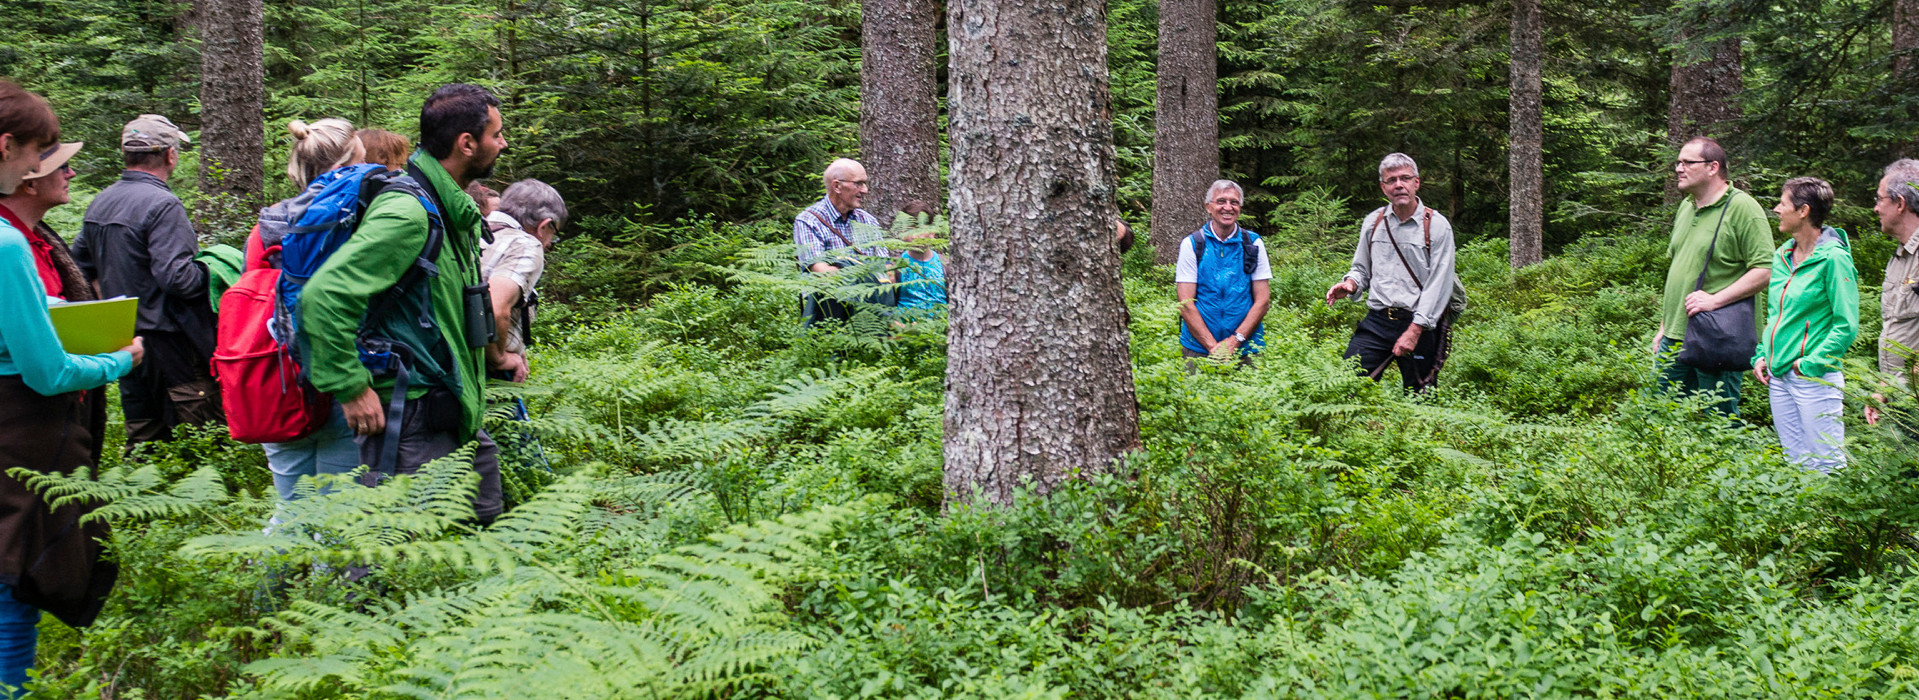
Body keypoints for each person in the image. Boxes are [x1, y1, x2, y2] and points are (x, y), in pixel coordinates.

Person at [301, 84, 509, 523]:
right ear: (466, 144)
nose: (503, 143)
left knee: (489, 530)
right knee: (389, 561)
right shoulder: (409, 212)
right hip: (410, 419)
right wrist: (352, 387)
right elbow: (323, 296)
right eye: (497, 134)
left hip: (455, 412)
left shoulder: (452, 209)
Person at [0, 81, 141, 696]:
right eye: (43, 150)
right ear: (8, 148)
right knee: (15, 580)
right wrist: (118, 360)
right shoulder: (6, 246)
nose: (51, 164)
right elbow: (49, 372)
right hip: (19, 433)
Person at [72, 114, 221, 447]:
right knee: (200, 439)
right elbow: (178, 279)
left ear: (126, 154)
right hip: (169, 341)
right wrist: (216, 269)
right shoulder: (163, 204)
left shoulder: (101, 201)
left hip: (125, 340)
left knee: (144, 436)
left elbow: (78, 267)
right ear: (170, 154)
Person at [247, 119, 365, 501]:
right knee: (339, 516)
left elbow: (256, 300)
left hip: (280, 383)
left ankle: (276, 562)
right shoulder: (358, 220)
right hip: (345, 381)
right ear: (348, 163)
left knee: (291, 510)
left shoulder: (266, 224)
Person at [1649, 137, 1772, 417]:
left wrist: (1715, 300)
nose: (1679, 168)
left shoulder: (1743, 208)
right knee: (1660, 415)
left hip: (1717, 336)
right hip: (1674, 335)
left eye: (1687, 163)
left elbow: (1765, 269)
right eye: (1677, 162)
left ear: (1713, 167)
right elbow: (1680, 270)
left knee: (1719, 419)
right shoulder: (1686, 206)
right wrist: (1664, 326)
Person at [1324, 153, 1459, 390]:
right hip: (1377, 321)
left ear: (1416, 183)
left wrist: (1415, 330)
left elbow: (1439, 285)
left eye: (1405, 178)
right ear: (1383, 187)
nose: (1399, 185)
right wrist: (1351, 284)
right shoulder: (1373, 222)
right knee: (1347, 386)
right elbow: (1361, 268)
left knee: (1421, 396)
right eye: (1392, 180)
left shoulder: (1437, 226)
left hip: (1420, 323)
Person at [1752, 177, 1858, 473]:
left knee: (1827, 464)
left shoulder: (1834, 259)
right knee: (1796, 462)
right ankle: (1806, 521)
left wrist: (1812, 364)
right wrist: (1763, 354)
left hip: (1814, 379)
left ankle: (1834, 520)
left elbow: (1845, 324)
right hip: (1779, 376)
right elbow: (1777, 314)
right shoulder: (1782, 255)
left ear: (1803, 211)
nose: (1776, 209)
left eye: (1782, 204)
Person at [1176, 179, 1271, 366]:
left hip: (1247, 348)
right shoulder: (1193, 244)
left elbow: (1263, 301)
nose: (1228, 207)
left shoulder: (1253, 244)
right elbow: (1185, 303)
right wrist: (1214, 347)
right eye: (1221, 201)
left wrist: (1235, 341)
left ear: (1240, 207)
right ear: (1208, 207)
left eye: (1234, 202)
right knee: (1195, 395)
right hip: (1197, 349)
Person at [480, 179, 566, 383]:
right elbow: (495, 306)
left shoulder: (473, 230)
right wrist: (500, 358)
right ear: (544, 225)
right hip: (486, 371)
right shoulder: (526, 245)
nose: (548, 244)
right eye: (552, 235)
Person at [794, 158, 890, 326]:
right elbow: (821, 272)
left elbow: (886, 269)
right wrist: (864, 274)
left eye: (865, 184)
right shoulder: (808, 221)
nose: (865, 190)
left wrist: (844, 270)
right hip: (828, 314)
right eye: (858, 184)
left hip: (871, 313)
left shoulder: (868, 221)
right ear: (837, 186)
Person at [1866, 158, 1919, 428]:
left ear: (1900, 204)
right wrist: (1884, 390)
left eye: (1880, 199)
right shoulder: (1899, 258)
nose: (1876, 208)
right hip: (1901, 403)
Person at [0, 141, 88, 303]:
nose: (71, 173)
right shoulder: (8, 245)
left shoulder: (34, 236)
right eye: (63, 167)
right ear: (31, 184)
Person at [894, 199, 946, 312]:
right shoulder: (895, 267)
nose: (916, 236)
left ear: (932, 232)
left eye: (921, 229)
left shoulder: (946, 265)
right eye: (910, 230)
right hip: (905, 327)